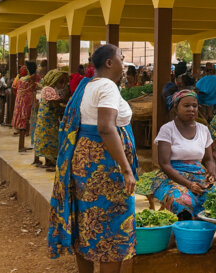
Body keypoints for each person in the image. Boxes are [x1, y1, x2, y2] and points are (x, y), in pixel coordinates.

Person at [48, 44, 137, 273]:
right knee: (112, 226)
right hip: (105, 164)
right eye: (121, 57)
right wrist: (126, 169)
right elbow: (106, 128)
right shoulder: (107, 86)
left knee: (87, 220)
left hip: (85, 161)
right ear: (109, 62)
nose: (124, 63)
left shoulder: (87, 85)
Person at [152, 89, 216, 219]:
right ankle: (183, 233)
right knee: (183, 201)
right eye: (186, 106)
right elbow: (164, 164)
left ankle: (204, 234)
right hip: (172, 177)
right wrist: (189, 184)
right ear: (176, 108)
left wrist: (211, 173)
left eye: (194, 105)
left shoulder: (203, 130)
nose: (191, 109)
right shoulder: (168, 129)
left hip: (199, 176)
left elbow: (209, 159)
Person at [33, 68, 69, 170]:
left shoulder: (47, 89)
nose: (62, 85)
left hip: (47, 119)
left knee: (46, 139)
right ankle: (51, 162)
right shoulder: (49, 90)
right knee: (50, 139)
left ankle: (48, 161)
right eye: (60, 82)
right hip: (48, 120)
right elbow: (57, 101)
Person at [12, 61, 39, 153]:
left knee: (22, 122)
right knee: (23, 123)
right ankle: (21, 147)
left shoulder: (21, 79)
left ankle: (21, 145)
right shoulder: (31, 78)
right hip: (25, 103)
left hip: (20, 101)